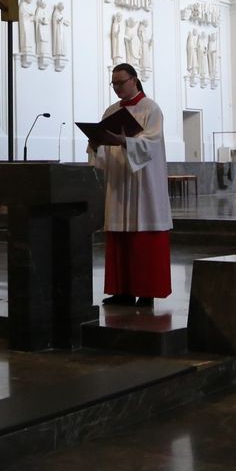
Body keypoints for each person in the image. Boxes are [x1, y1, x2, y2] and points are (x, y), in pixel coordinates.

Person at [89, 63, 172, 307]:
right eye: (113, 84)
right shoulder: (111, 111)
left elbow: (152, 143)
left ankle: (146, 292)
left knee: (143, 237)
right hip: (119, 182)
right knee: (119, 236)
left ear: (134, 80)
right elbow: (102, 151)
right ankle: (122, 290)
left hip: (143, 183)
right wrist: (96, 145)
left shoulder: (151, 109)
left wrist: (126, 141)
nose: (116, 88)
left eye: (120, 82)